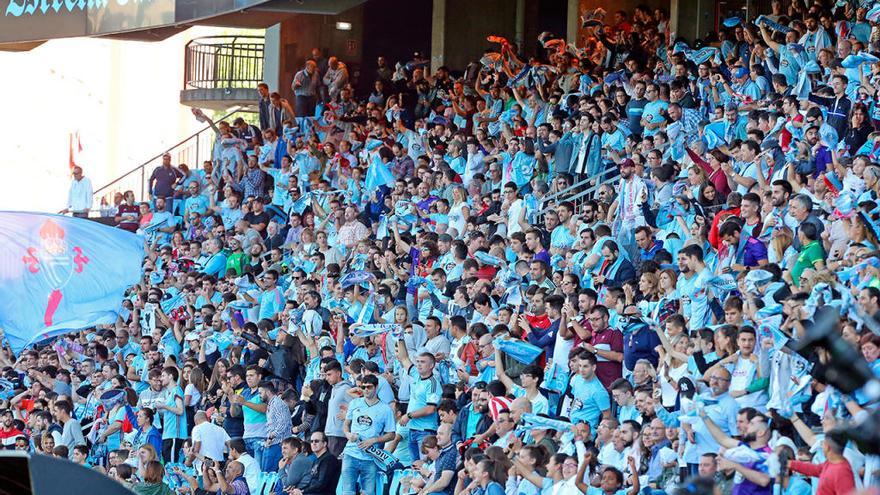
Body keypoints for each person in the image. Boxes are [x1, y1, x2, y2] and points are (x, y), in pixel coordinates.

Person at [340, 374, 396, 495]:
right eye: (363, 387)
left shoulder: (385, 409)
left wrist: (374, 440)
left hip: (370, 456)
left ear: (376, 387)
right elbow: (346, 424)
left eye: (369, 387)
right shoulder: (354, 403)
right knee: (347, 491)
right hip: (351, 452)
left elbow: (391, 434)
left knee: (368, 492)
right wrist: (348, 434)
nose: (365, 390)